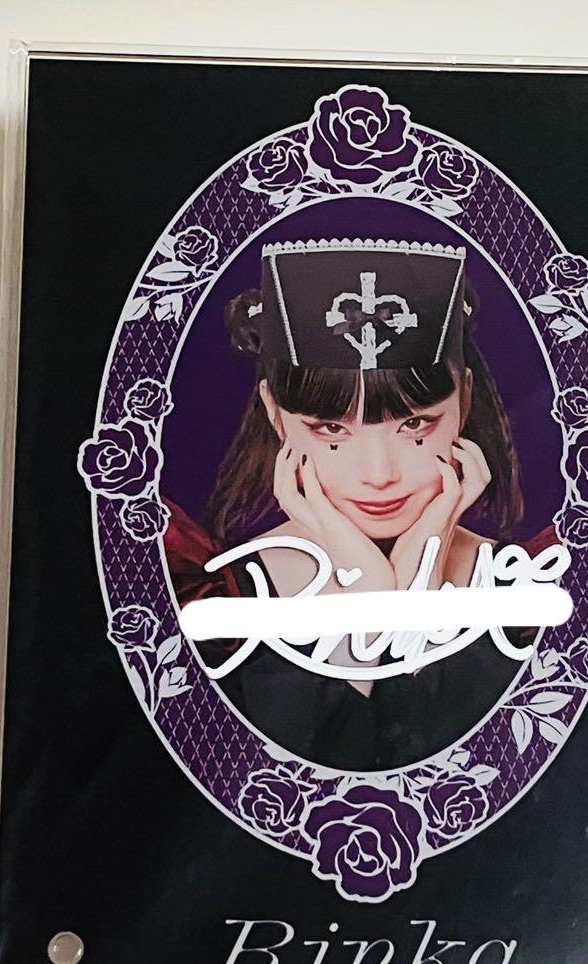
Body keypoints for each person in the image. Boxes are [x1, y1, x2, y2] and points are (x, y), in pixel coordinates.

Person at [164, 237, 557, 770]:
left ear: (463, 400)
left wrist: (423, 571)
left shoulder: (533, 586)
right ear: (276, 416)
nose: (379, 474)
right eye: (330, 429)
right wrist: (366, 587)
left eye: (415, 424)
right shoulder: (212, 597)